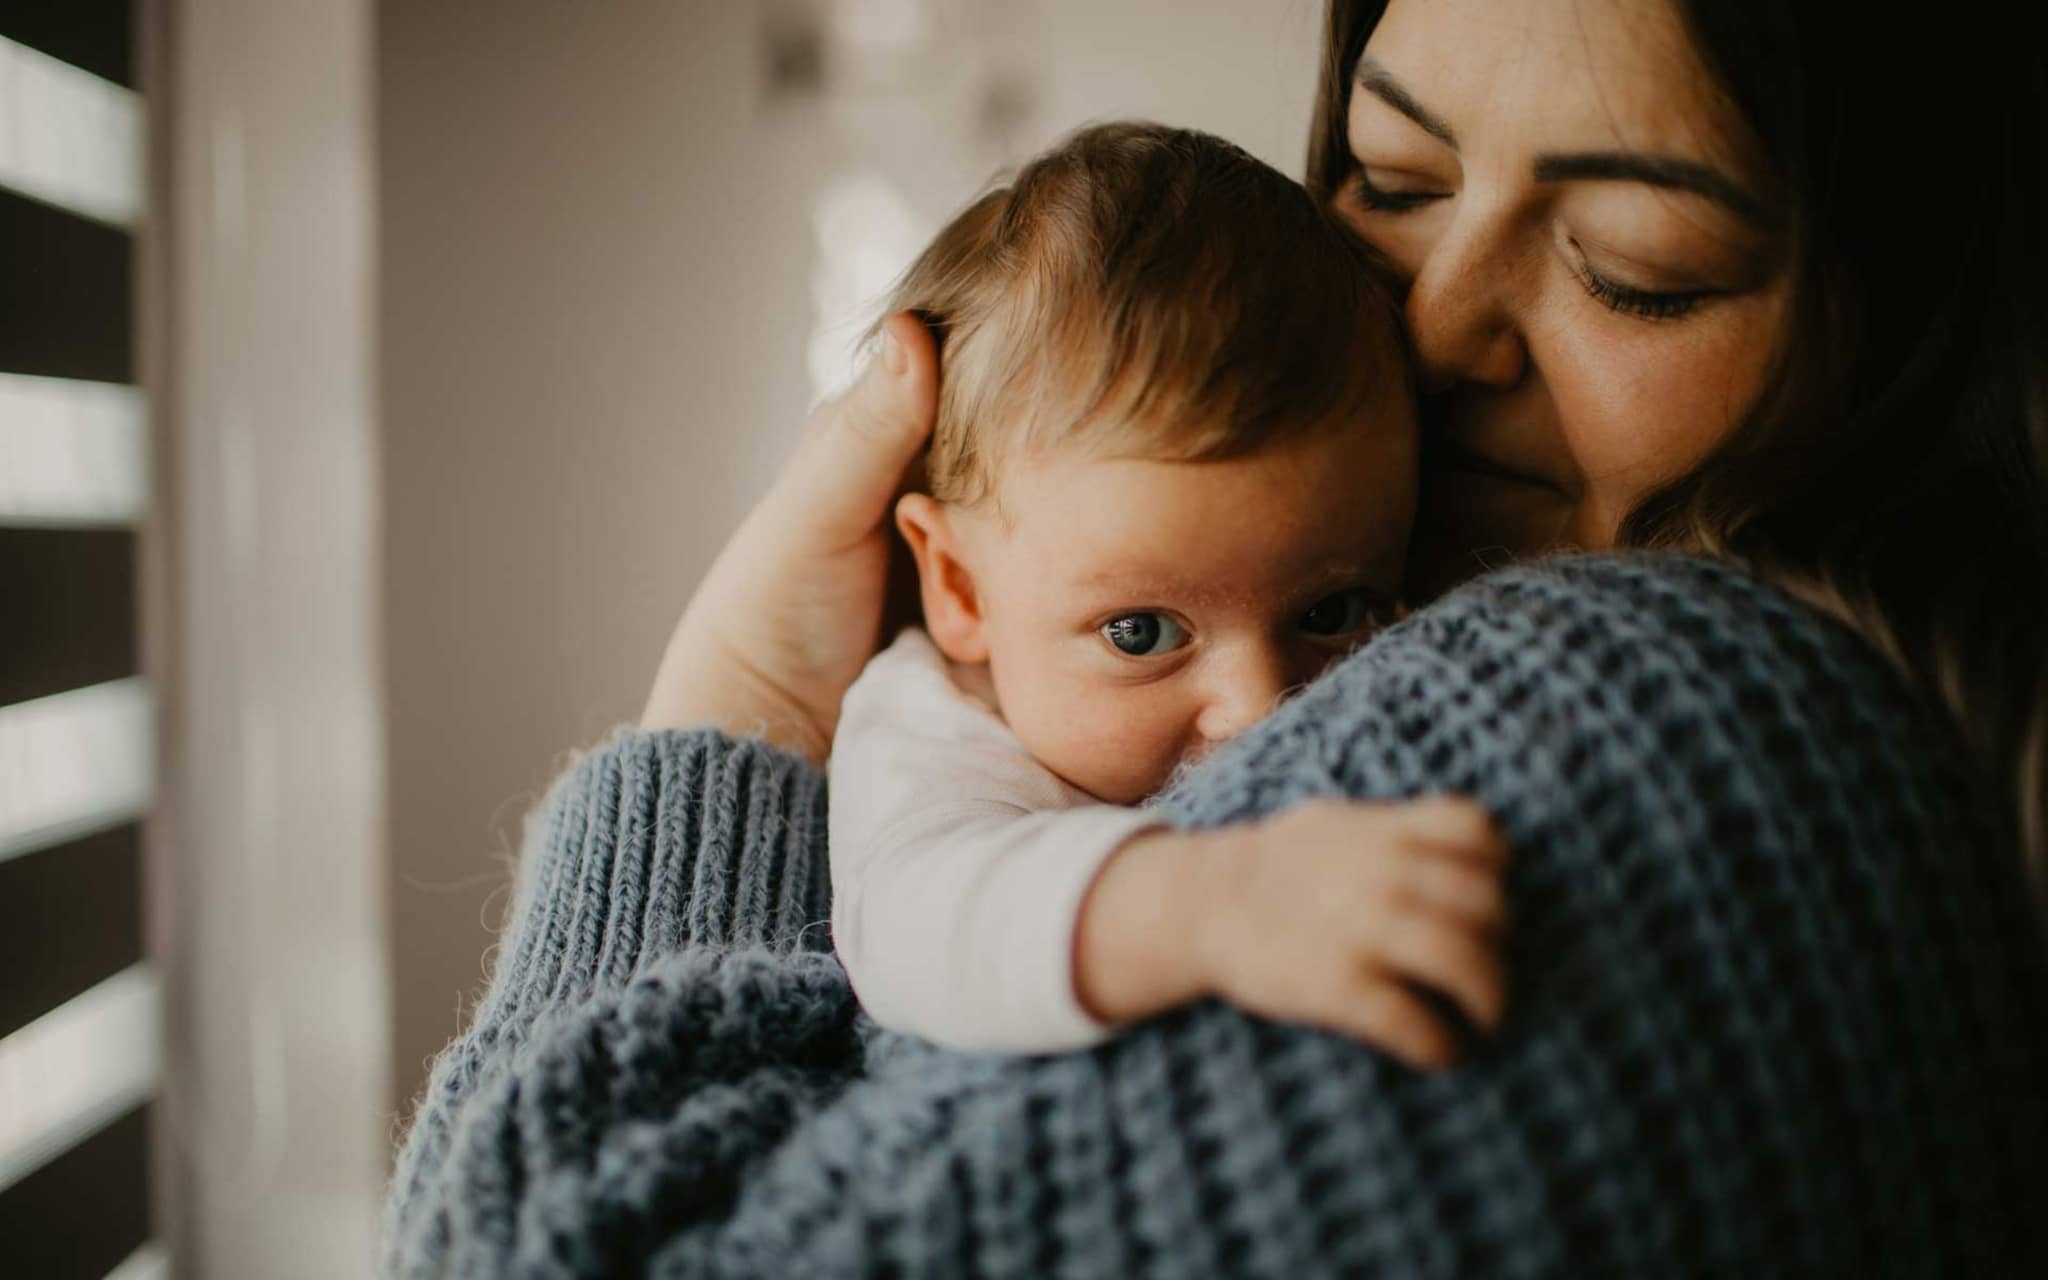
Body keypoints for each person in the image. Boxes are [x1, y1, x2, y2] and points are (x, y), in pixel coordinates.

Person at [384, 1, 2048, 1275]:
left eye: (1638, 270)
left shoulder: (1666, 738)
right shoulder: (947, 725)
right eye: (1389, 180)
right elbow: (923, 926)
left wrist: (731, 715)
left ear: (1913, 333)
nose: (1428, 326)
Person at [831, 121, 1512, 1059]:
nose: (1259, 710)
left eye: (1330, 613)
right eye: (1142, 633)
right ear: (960, 589)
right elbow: (912, 928)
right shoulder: (934, 732)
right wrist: (1212, 903)